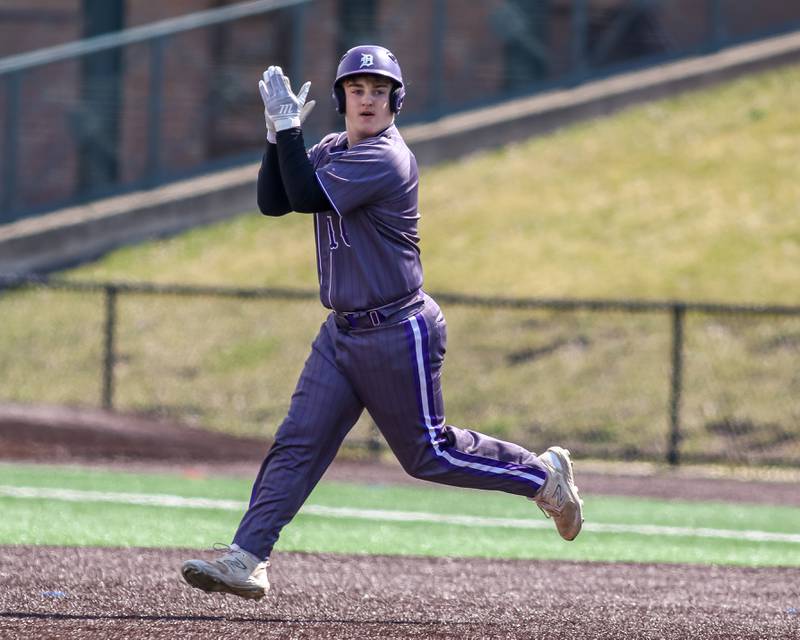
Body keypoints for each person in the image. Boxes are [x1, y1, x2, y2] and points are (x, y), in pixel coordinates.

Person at [181, 45, 583, 601]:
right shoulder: (330, 147)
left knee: (429, 455)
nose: (366, 99)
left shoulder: (385, 156)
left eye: (377, 90)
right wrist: (276, 136)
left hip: (398, 328)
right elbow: (274, 201)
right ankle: (248, 558)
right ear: (341, 98)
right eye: (355, 89)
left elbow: (302, 196)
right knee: (297, 443)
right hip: (343, 331)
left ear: (396, 101)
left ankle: (541, 477)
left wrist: (290, 134)